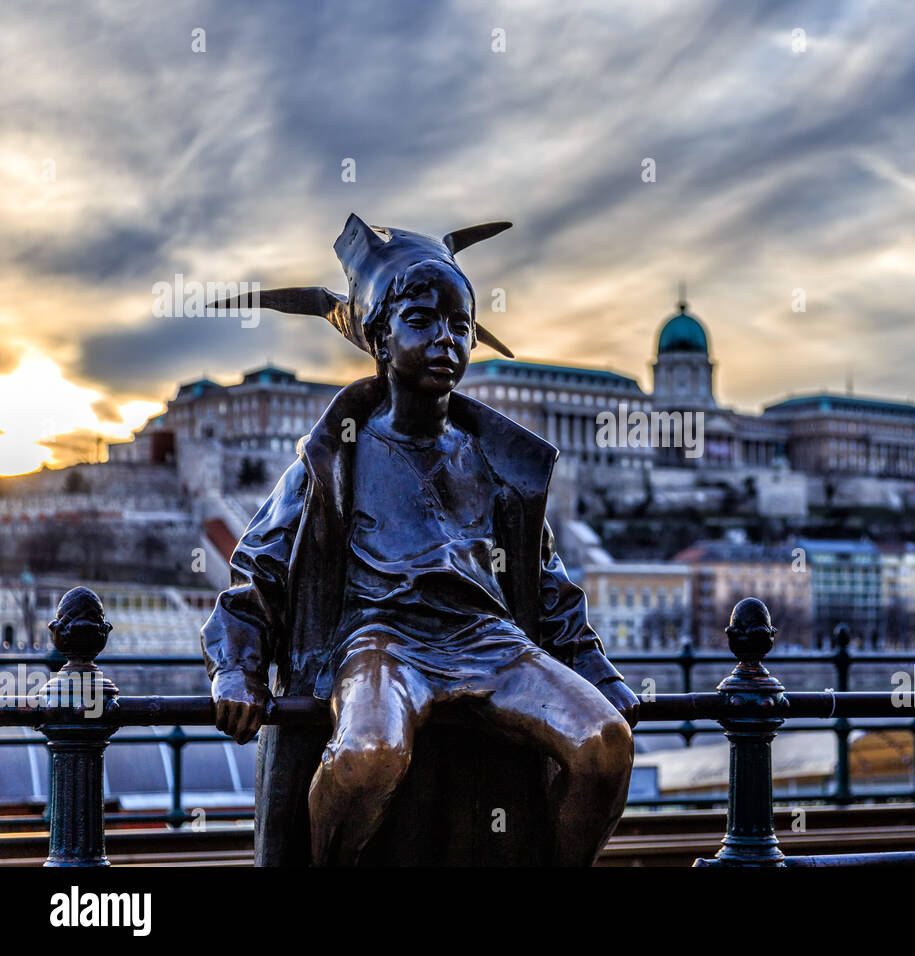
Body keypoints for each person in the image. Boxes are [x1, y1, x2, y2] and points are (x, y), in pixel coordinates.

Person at [200, 214, 639, 865]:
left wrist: (595, 668)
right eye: (422, 321)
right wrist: (236, 669)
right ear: (380, 337)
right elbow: (258, 572)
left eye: (460, 326)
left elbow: (545, 581)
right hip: (381, 641)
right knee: (367, 751)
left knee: (604, 742)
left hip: (491, 644)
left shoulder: (495, 463)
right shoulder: (334, 459)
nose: (446, 340)